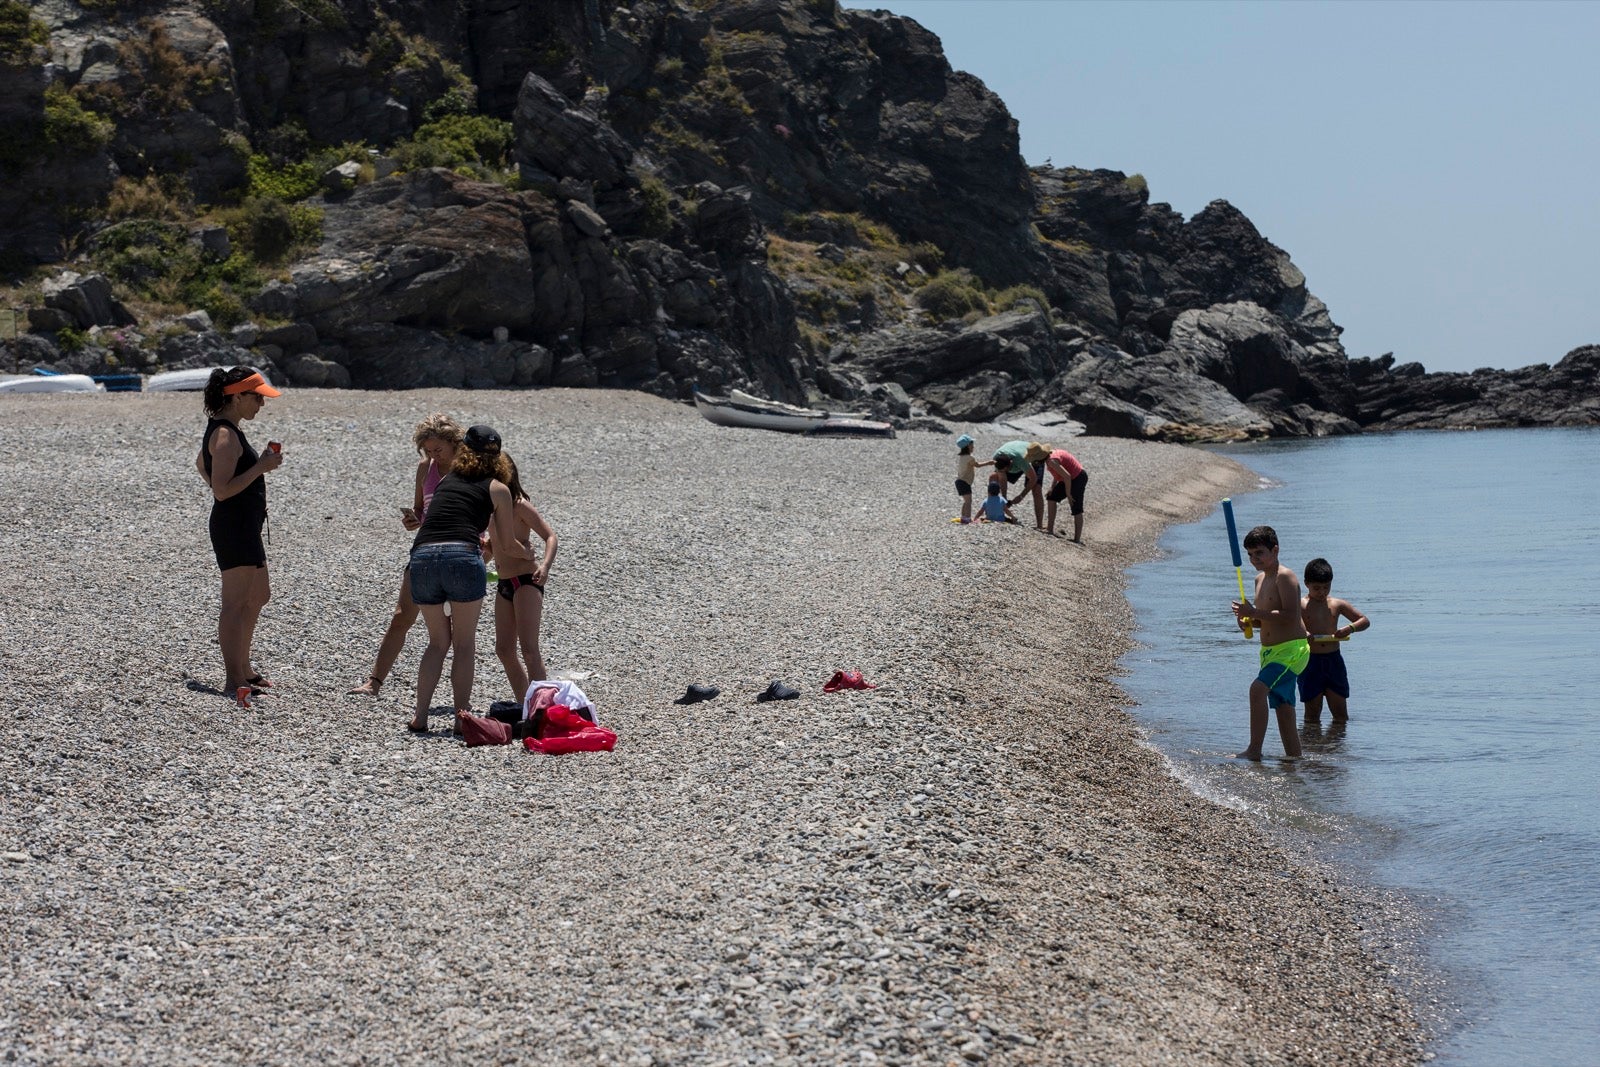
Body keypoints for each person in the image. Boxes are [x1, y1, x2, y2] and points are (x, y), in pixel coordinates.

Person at [405, 425, 533, 733]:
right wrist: (529, 554)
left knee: (437, 643)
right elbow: (505, 544)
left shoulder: (447, 480)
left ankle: (420, 717)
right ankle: (461, 719)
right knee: (463, 644)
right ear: (498, 457)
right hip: (462, 557)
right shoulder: (498, 489)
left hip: (422, 557)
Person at [347, 415, 465, 697]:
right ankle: (374, 682)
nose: (434, 455)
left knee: (458, 631)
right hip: (425, 550)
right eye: (428, 450)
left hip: (461, 551)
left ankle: (459, 696)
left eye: (438, 450)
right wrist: (413, 520)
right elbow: (420, 508)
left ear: (453, 443)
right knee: (402, 616)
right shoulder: (426, 468)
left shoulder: (469, 469)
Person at [195, 367, 284, 707]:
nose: (261, 404)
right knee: (234, 605)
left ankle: (244, 668)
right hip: (233, 528)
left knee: (259, 594)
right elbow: (221, 491)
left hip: (244, 526)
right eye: (257, 397)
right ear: (236, 396)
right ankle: (233, 678)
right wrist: (260, 467)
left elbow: (199, 464)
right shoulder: (225, 436)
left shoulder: (228, 431)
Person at [1231, 524, 1309, 760]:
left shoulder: (1285, 577)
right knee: (1284, 709)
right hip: (1269, 652)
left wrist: (1254, 613)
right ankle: (1295, 761)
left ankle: (1254, 750)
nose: (1254, 559)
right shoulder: (1258, 580)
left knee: (1257, 690)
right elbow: (1265, 620)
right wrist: (1247, 622)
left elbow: (1290, 617)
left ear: (1275, 550)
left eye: (1259, 553)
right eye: (1250, 555)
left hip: (1292, 651)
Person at [490, 456, 559, 701]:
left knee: (529, 650)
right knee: (504, 649)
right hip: (504, 582)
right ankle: (525, 702)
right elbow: (492, 547)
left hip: (527, 580)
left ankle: (544, 707)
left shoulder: (519, 505)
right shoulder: (489, 508)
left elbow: (550, 535)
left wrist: (546, 566)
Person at [1299, 558, 1370, 722]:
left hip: (1333, 660)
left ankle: (1336, 747)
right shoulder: (1300, 604)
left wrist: (1349, 628)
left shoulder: (1337, 604)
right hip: (1309, 661)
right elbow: (1290, 623)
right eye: (1316, 588)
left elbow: (1364, 621)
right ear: (1306, 584)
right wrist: (1303, 632)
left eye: (1326, 587)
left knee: (1340, 714)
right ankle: (1311, 747)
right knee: (1312, 714)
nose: (1322, 592)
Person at [992, 440, 1043, 528]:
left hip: (1034, 456)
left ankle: (1039, 525)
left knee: (1036, 489)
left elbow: (1033, 478)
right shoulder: (997, 458)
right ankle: (994, 511)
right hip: (1014, 454)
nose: (1004, 472)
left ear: (1010, 464)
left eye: (1006, 471)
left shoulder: (1021, 459)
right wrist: (1004, 498)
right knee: (993, 477)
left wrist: (1021, 496)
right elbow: (1002, 478)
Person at [1044, 447, 1088, 542]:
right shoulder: (1050, 457)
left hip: (1078, 477)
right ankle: (1050, 529)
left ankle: (1077, 539)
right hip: (1068, 478)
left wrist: (1068, 494)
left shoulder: (1051, 461)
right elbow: (1059, 473)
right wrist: (1052, 487)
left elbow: (1067, 476)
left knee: (1076, 506)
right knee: (1051, 497)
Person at [953, 434, 988, 524]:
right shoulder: (970, 458)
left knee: (966, 501)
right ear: (968, 446)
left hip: (959, 481)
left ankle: (963, 517)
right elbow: (978, 465)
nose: (973, 447)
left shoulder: (962, 457)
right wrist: (989, 462)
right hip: (964, 482)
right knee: (969, 501)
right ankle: (967, 518)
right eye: (972, 445)